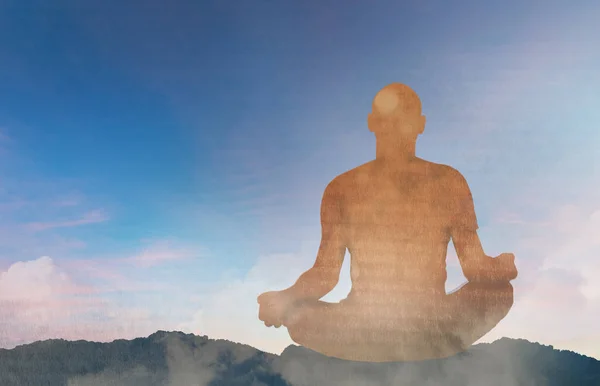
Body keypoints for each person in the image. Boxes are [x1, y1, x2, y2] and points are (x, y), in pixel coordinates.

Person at [257, 83, 518, 362]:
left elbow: (324, 275)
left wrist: (285, 299)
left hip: (396, 328)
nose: (395, 127)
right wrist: (501, 267)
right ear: (419, 125)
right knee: (500, 292)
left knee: (298, 316)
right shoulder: (444, 181)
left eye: (400, 119)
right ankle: (422, 346)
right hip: (410, 328)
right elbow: (477, 269)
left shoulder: (443, 183)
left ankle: (390, 347)